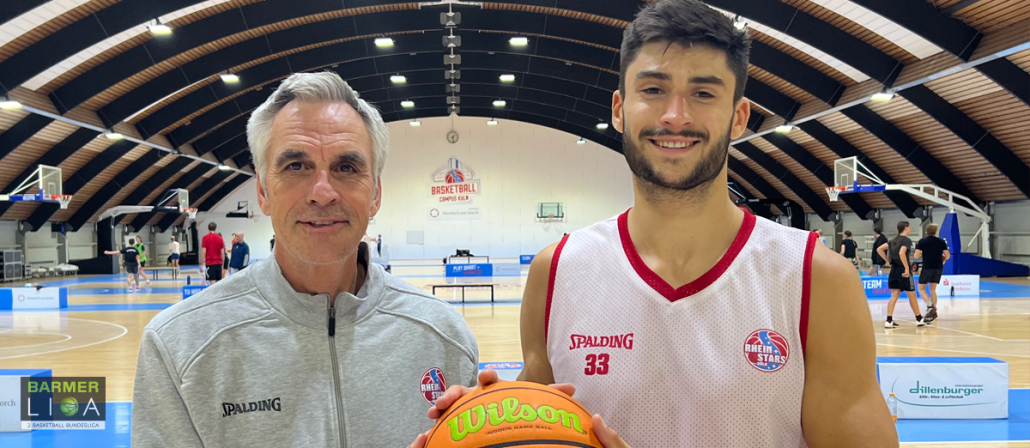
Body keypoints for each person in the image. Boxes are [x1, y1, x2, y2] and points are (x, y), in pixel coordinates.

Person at [413, 2, 895, 447]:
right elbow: (539, 432)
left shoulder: (816, 279)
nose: (675, 115)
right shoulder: (556, 272)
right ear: (619, 110)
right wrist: (484, 418)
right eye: (653, 90)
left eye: (703, 93)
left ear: (738, 117)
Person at [132, 71, 478, 447]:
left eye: (347, 168)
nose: (323, 192)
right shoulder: (179, 344)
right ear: (263, 191)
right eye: (296, 166)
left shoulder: (443, 334)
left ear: (375, 194)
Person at [877, 221, 925, 328]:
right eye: (909, 227)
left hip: (894, 270)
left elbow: (879, 249)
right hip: (903, 271)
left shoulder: (893, 241)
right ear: (906, 228)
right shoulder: (906, 240)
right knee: (911, 294)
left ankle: (889, 320)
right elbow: (901, 253)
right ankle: (918, 318)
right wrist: (907, 268)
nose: (910, 229)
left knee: (894, 295)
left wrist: (888, 260)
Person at [915, 224, 950, 324]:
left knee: (921, 289)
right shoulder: (941, 241)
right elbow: (947, 256)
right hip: (938, 267)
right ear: (936, 231)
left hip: (927, 267)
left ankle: (930, 305)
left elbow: (916, 256)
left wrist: (924, 253)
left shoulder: (922, 241)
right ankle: (934, 311)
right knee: (932, 290)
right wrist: (942, 257)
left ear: (926, 231)